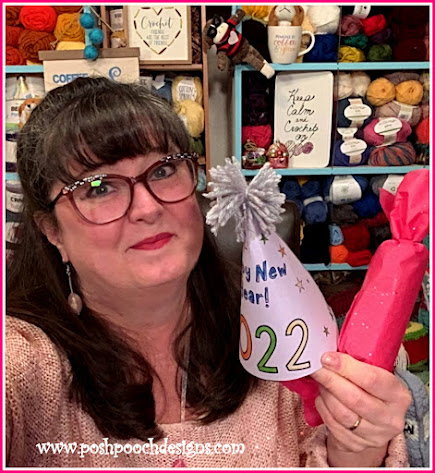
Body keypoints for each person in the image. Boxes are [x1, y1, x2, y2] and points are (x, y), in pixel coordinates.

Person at [6, 77, 411, 468]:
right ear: (52, 231)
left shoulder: (278, 335)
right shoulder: (24, 361)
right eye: (99, 187)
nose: (148, 207)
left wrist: (358, 445)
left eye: (163, 170)